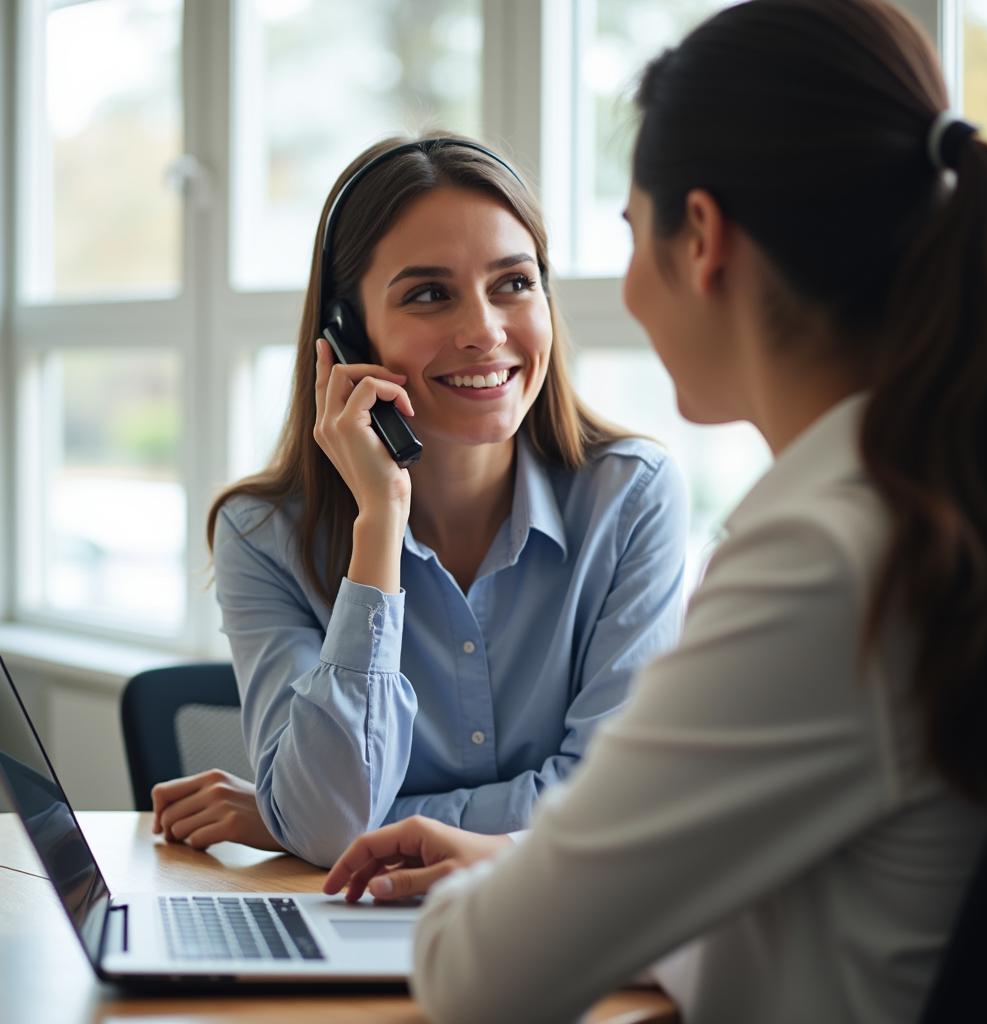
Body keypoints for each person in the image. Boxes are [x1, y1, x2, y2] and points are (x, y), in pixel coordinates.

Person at [322, 2, 987, 1021]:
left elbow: (480, 978)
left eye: (626, 238)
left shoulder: (823, 557)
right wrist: (522, 856)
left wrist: (518, 885)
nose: (630, 292)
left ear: (699, 238)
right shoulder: (938, 499)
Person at [150, 134, 688, 867]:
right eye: (429, 294)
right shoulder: (262, 536)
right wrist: (379, 524)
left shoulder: (631, 499)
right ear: (345, 336)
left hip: (557, 928)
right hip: (347, 930)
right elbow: (331, 823)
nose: (485, 332)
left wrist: (306, 820)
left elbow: (620, 803)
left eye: (514, 283)